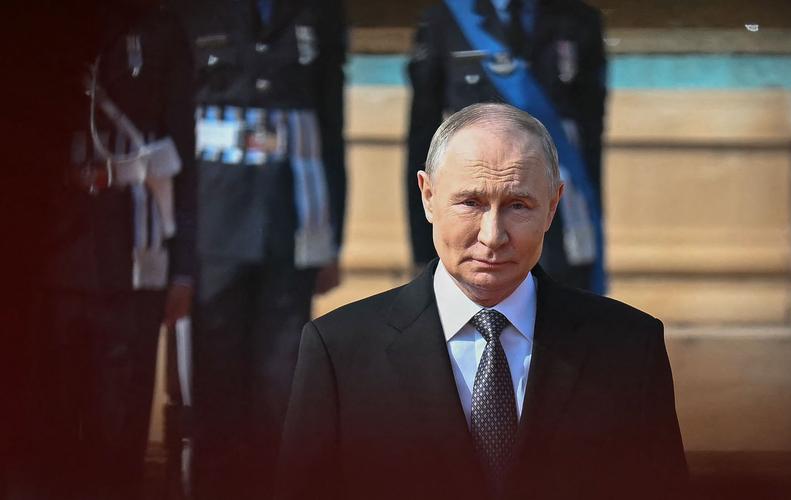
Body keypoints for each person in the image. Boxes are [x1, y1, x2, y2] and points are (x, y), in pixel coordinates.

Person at [276, 103, 687, 500]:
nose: (492, 235)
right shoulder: (339, 351)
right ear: (428, 197)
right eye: (471, 202)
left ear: (552, 207)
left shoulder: (629, 347)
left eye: (518, 206)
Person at [16, 0, 197, 498]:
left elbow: (183, 151)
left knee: (118, 445)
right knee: (45, 440)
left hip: (133, 266)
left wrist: (183, 270)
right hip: (49, 265)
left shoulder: (161, 29)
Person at [173, 0, 348, 498]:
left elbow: (330, 126)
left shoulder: (323, 13)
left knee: (282, 389)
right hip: (213, 224)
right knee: (214, 387)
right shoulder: (191, 13)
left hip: (290, 223)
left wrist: (331, 236)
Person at [406, 0, 608, 293]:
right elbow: (423, 143)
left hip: (562, 212)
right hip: (476, 217)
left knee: (565, 324)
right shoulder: (444, 19)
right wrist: (422, 248)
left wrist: (594, 234)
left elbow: (591, 144)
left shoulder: (579, 19)